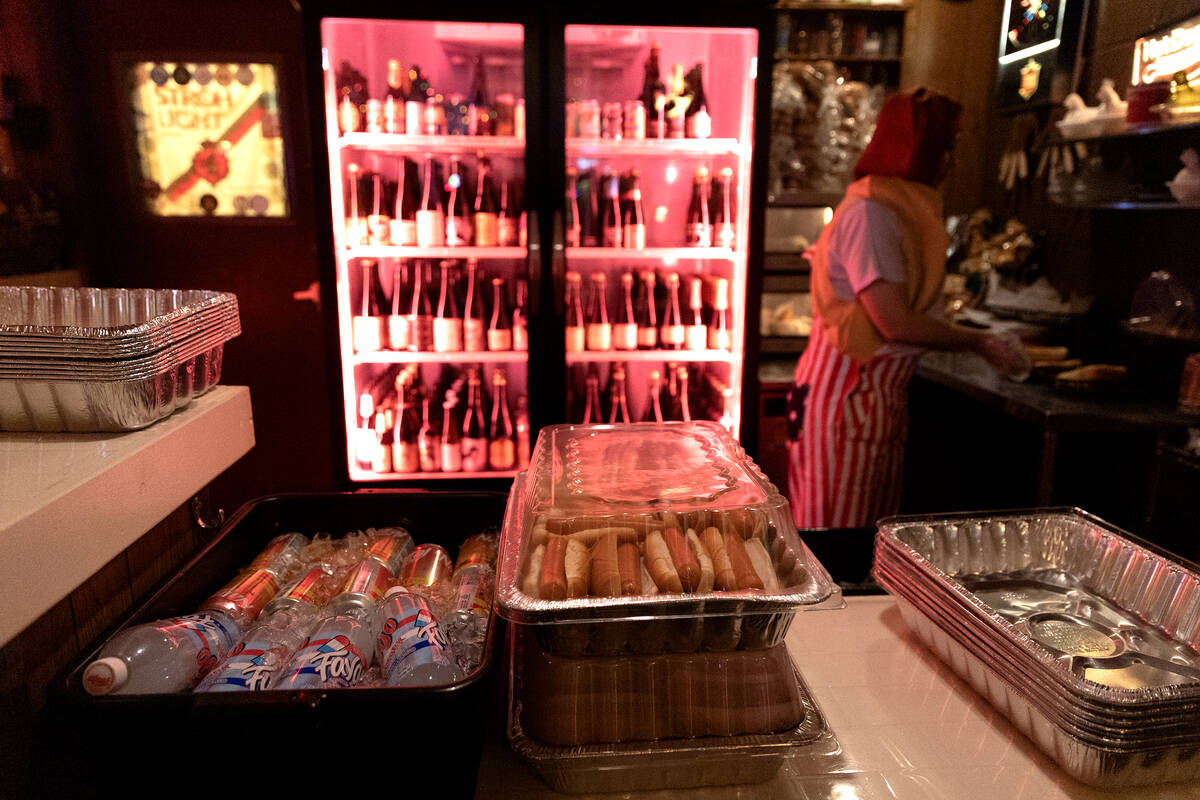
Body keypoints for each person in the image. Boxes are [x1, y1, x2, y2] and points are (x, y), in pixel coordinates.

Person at [787, 88, 1025, 529]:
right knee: (838, 551)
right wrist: (979, 340)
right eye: (945, 146)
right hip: (848, 399)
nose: (951, 159)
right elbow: (891, 320)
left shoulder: (891, 206)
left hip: (871, 398)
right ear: (917, 148)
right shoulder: (871, 213)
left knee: (867, 544)